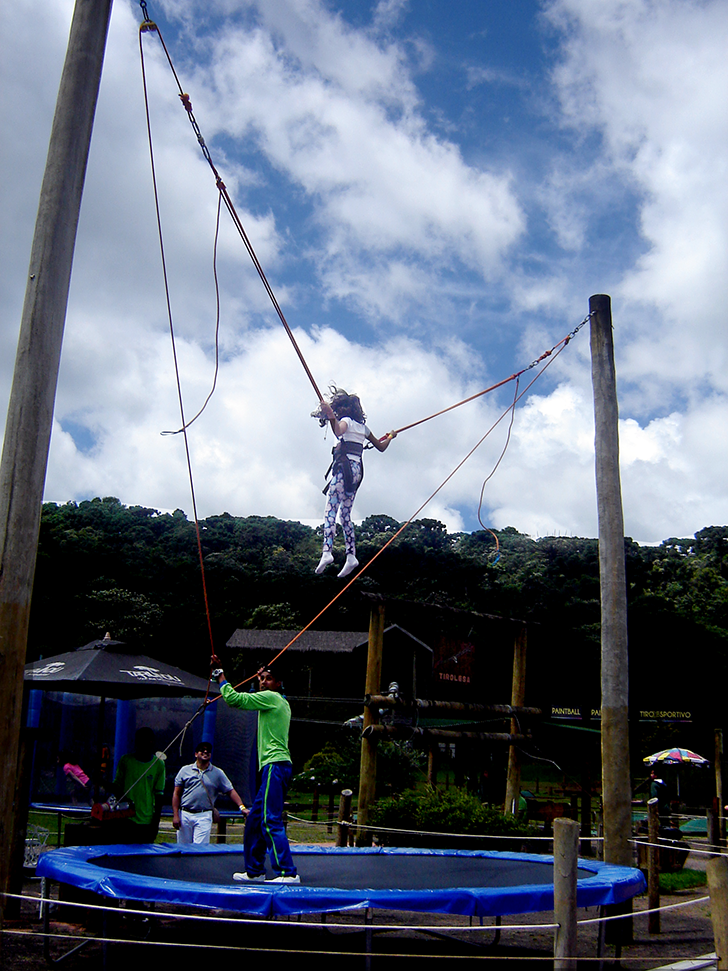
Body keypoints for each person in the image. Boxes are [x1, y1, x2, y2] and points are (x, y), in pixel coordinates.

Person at [212, 659, 299, 883]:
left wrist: (220, 675)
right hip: (275, 767)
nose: (262, 682)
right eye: (261, 679)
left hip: (275, 765)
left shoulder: (271, 697)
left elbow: (234, 699)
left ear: (278, 683)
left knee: (270, 820)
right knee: (254, 820)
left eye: (268, 679)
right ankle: (255, 870)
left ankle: (287, 872)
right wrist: (259, 678)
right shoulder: (280, 700)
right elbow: (254, 695)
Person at [313, 388, 396, 578]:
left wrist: (331, 416)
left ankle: (327, 551)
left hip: (344, 470)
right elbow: (381, 447)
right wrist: (390, 436)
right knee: (345, 516)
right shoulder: (364, 429)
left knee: (330, 511)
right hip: (357, 474)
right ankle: (351, 555)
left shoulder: (347, 422)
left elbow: (338, 430)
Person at [172, 741, 247, 844]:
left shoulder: (217, 772)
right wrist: (176, 815)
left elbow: (230, 791)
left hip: (204, 815)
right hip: (185, 814)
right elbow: (176, 794)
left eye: (208, 751)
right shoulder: (184, 770)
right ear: (196, 754)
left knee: (199, 850)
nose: (205, 752)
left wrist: (242, 807)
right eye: (202, 750)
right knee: (183, 848)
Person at [113, 727, 166, 842]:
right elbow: (117, 787)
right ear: (136, 742)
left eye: (148, 740)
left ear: (152, 742)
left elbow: (159, 795)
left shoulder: (159, 765)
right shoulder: (126, 760)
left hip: (146, 820)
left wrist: (155, 824)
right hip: (125, 819)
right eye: (141, 740)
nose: (145, 744)